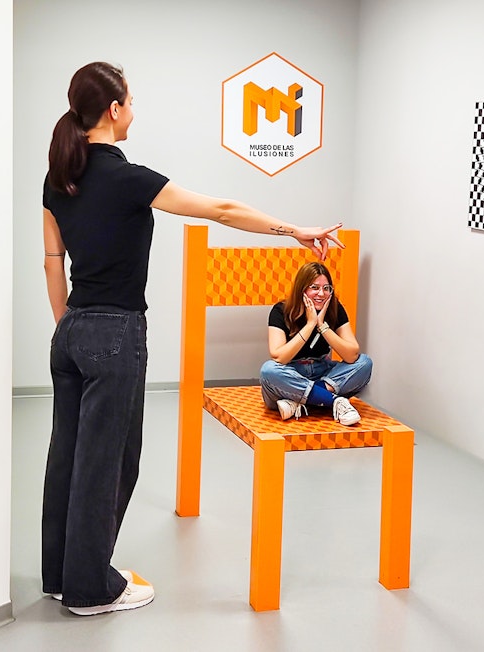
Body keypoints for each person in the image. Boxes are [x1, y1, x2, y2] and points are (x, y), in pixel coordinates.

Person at [41, 62, 344, 616]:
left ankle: (62, 576)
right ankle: (89, 589)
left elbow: (51, 260)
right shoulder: (128, 179)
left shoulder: (60, 176)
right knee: (108, 461)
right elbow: (222, 210)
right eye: (131, 101)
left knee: (68, 453)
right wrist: (294, 231)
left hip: (72, 331)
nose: (134, 110)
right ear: (113, 110)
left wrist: (67, 325)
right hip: (115, 333)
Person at [259, 262, 373, 426]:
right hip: (291, 374)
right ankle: (333, 401)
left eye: (326, 288)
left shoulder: (335, 308)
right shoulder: (281, 310)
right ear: (302, 289)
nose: (321, 293)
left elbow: (352, 355)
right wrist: (310, 324)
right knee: (269, 370)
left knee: (364, 362)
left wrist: (322, 326)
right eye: (314, 287)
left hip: (322, 371)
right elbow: (279, 357)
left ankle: (298, 400)